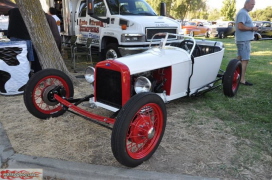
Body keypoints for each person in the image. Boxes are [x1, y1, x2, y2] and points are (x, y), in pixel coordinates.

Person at [234, 0, 258, 86]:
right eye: (252, 4)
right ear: (246, 4)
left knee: (240, 59)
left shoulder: (243, 12)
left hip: (242, 40)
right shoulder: (243, 13)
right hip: (243, 41)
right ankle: (242, 80)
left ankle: (235, 76)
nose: (253, 6)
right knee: (245, 60)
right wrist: (252, 28)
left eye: (254, 5)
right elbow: (240, 26)